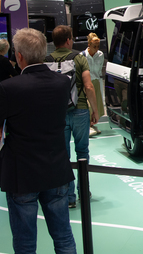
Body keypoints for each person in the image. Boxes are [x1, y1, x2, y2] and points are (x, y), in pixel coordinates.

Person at [0, 28, 76, 254]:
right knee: (64, 237)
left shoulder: (9, 88)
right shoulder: (62, 83)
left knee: (25, 243)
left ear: (19, 56)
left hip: (22, 174)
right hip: (56, 168)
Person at [49, 25, 98, 208]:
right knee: (82, 153)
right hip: (80, 110)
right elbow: (88, 86)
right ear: (69, 40)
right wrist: (95, 110)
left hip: (58, 115)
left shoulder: (46, 61)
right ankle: (84, 193)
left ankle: (69, 197)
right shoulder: (79, 58)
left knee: (64, 156)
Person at [82, 33, 105, 137]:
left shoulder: (100, 55)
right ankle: (87, 126)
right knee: (88, 104)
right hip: (86, 83)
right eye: (94, 46)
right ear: (89, 45)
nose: (96, 49)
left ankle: (92, 123)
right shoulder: (82, 56)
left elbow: (99, 69)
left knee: (97, 104)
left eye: (98, 46)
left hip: (96, 81)